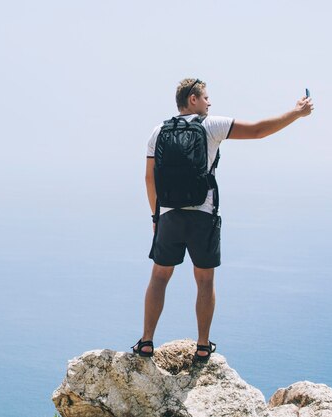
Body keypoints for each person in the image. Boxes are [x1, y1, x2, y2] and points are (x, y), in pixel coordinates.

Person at [132, 78, 314, 362]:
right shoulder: (210, 125)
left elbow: (148, 177)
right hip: (202, 214)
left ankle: (146, 342)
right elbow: (257, 131)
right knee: (204, 280)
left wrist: (156, 216)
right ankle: (203, 346)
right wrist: (296, 113)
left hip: (168, 214)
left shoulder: (159, 131)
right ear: (193, 99)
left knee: (159, 276)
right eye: (206, 98)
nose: (209, 103)